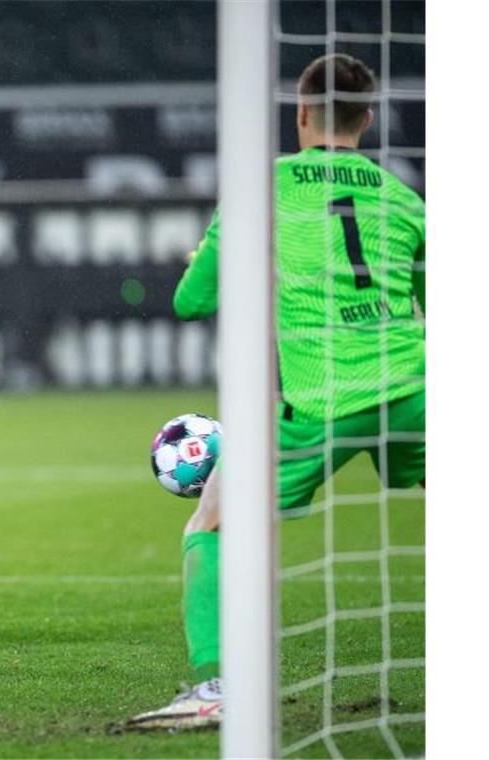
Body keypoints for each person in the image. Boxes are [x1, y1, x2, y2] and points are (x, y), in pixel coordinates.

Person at [126, 54, 425, 729]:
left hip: (321, 401)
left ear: (299, 113)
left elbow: (188, 301)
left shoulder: (263, 190)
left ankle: (217, 690)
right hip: (416, 392)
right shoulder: (404, 198)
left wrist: (216, 256)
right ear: (368, 118)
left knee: (209, 525)